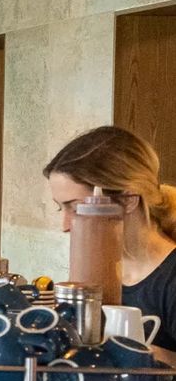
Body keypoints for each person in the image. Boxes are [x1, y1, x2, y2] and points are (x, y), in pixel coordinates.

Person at [44, 125, 176, 364]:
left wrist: (135, 352)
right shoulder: (96, 268)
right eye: (60, 208)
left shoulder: (170, 280)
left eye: (76, 208)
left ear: (127, 200)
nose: (65, 225)